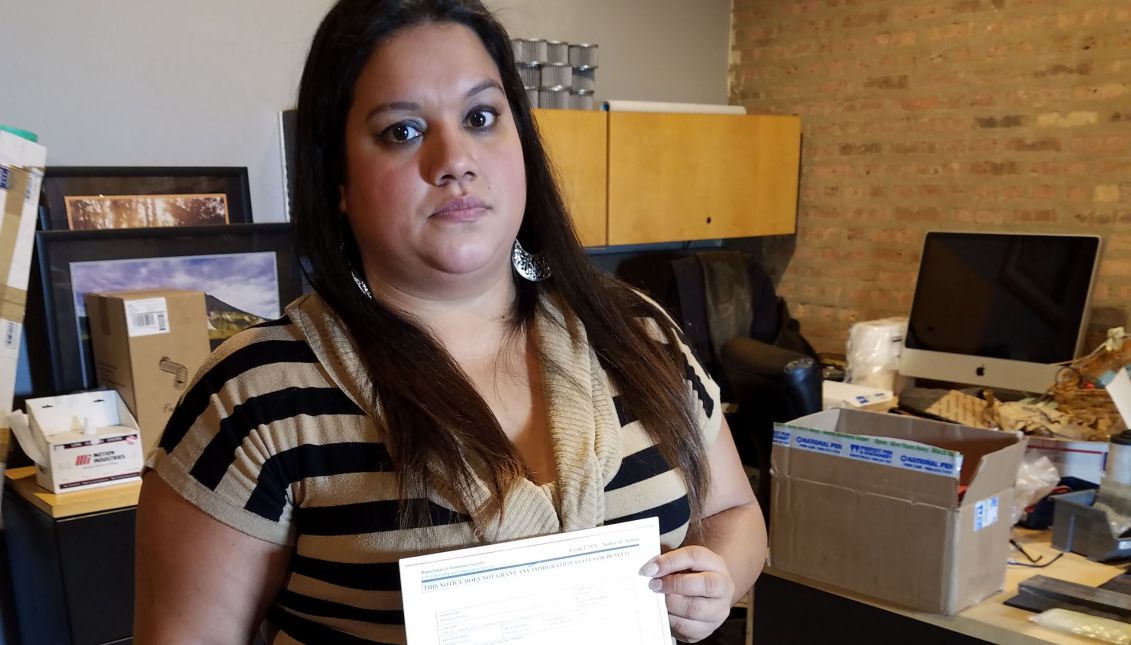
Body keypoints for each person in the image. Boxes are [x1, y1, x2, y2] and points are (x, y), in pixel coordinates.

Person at [133, 0, 767, 642]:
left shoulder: (637, 331)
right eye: (402, 131)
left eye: (481, 117)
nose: (455, 159)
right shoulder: (253, 397)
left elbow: (736, 511)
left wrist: (716, 574)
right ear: (339, 182)